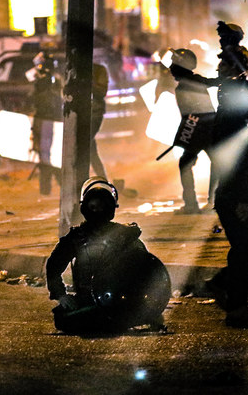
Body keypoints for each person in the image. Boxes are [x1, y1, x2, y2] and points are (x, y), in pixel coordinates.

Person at [203, 21, 248, 328]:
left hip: (242, 196)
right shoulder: (229, 127)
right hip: (237, 199)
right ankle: (236, 307)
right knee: (247, 249)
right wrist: (243, 199)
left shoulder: (236, 125)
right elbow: (229, 166)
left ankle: (224, 288)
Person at [46, 177, 171, 334]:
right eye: (93, 206)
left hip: (120, 300)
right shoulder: (76, 238)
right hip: (88, 300)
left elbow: (144, 270)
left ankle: (120, 319)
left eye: (101, 206)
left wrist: (147, 302)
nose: (97, 210)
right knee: (63, 318)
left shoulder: (125, 236)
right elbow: (54, 266)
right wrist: (61, 296)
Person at [168, 48, 218, 214]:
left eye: (174, 65)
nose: (171, 68)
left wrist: (183, 135)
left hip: (200, 129)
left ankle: (194, 204)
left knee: (186, 165)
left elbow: (190, 115)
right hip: (205, 128)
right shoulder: (191, 82)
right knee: (215, 163)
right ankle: (211, 201)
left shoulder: (187, 85)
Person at [31, 51, 63, 195]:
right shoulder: (53, 80)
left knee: (46, 156)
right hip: (51, 119)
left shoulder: (48, 81)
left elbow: (37, 99)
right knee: (48, 155)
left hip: (46, 119)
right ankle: (50, 187)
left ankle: (47, 188)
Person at [90, 63, 108, 179]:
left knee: (86, 143)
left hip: (94, 111)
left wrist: (88, 81)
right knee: (90, 148)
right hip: (80, 111)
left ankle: (102, 178)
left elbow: (101, 92)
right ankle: (103, 178)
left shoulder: (98, 70)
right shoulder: (73, 68)